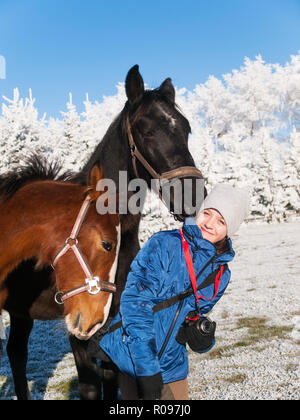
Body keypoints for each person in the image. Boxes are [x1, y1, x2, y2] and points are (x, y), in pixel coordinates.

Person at [97, 184, 250, 400]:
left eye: (221, 221)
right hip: (131, 355)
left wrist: (197, 333)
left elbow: (193, 311)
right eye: (207, 213)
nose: (209, 223)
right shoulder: (164, 244)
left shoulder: (221, 275)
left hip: (172, 363)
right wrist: (148, 369)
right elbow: (135, 305)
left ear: (229, 229)